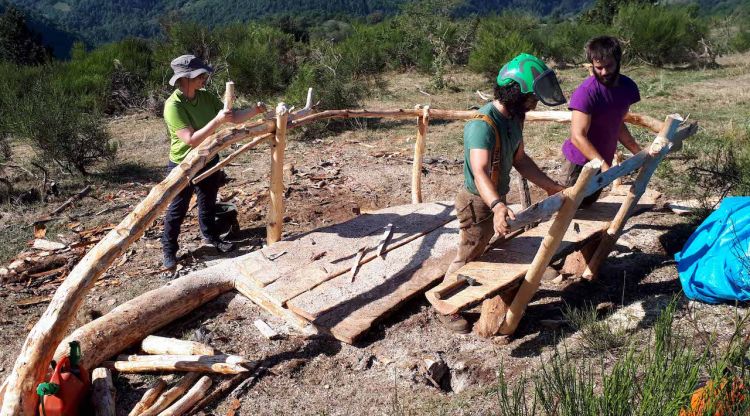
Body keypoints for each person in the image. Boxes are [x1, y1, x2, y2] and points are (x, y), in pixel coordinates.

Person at [439, 53, 567, 333]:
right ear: (514, 93)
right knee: (469, 253)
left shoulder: (515, 118)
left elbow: (520, 159)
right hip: (477, 201)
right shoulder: (482, 125)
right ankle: (445, 304)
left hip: (496, 197)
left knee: (496, 244)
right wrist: (497, 205)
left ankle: (502, 282)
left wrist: (549, 185)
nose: (535, 102)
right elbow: (480, 171)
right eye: (532, 96)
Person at [161, 54, 265, 270]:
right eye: (200, 75)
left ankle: (211, 237)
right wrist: (217, 120)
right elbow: (190, 140)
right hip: (184, 164)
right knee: (177, 209)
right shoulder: (173, 106)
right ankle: (169, 250)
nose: (204, 79)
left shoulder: (205, 97)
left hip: (208, 158)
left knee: (208, 202)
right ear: (186, 78)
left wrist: (255, 110)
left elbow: (232, 117)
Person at [561, 36, 642, 206]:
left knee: (588, 205)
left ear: (618, 61)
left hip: (603, 159)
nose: (604, 72)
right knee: (569, 206)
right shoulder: (586, 92)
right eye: (598, 68)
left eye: (609, 66)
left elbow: (617, 123)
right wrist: (604, 167)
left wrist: (638, 152)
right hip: (580, 162)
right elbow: (578, 136)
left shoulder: (628, 88)